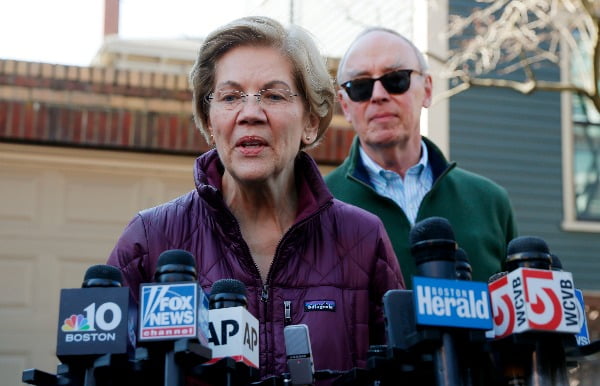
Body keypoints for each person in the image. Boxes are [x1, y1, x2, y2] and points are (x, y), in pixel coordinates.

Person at [107, 17, 404, 381]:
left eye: (273, 95)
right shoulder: (149, 239)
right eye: (230, 97)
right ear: (209, 120)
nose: (250, 114)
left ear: (311, 120)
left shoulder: (363, 238)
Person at [325, 27, 518, 288]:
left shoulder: (490, 202)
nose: (379, 95)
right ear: (345, 105)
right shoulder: (319, 205)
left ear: (427, 89)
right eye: (360, 86)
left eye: (396, 80)